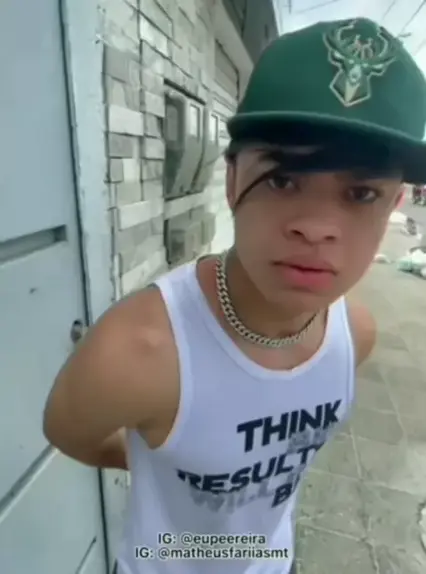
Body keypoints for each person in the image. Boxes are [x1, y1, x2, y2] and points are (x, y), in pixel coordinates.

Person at [43, 17, 426, 574]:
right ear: (231, 180)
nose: (317, 227)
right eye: (283, 179)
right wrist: (161, 463)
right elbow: (69, 432)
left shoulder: (354, 337)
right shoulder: (139, 352)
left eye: (361, 193)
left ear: (393, 205)